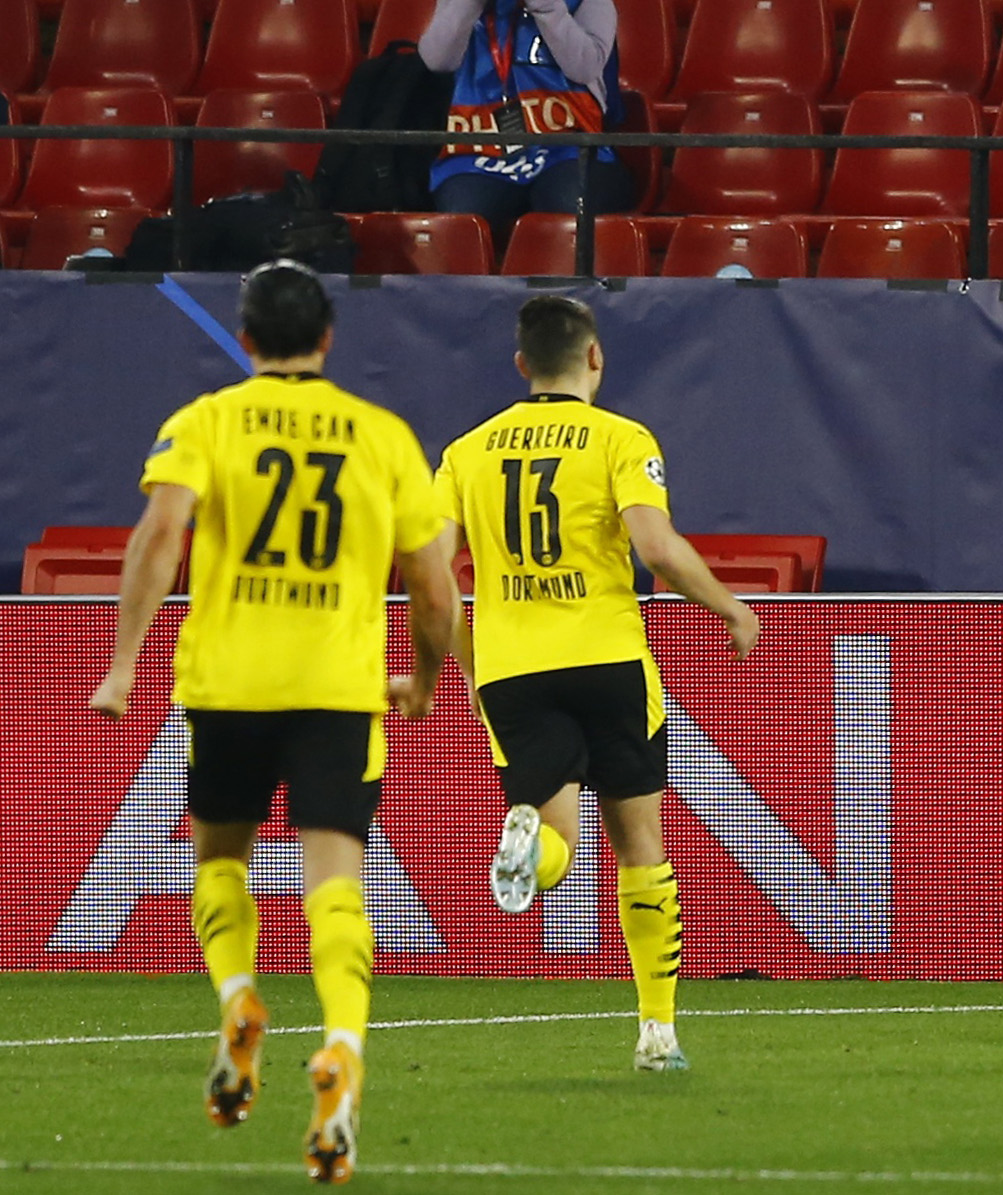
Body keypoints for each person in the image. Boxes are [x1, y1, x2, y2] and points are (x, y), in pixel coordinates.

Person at [88, 260, 457, 1185]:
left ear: (245, 337)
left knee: (221, 862)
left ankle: (240, 995)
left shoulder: (206, 422)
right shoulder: (382, 436)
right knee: (335, 878)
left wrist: (126, 662)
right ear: (328, 337)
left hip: (229, 683)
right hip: (337, 686)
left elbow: (158, 536)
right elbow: (431, 577)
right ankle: (340, 1047)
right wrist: (420, 674)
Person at [432, 295, 760, 1072]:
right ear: (596, 358)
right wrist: (730, 607)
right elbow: (658, 550)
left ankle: (528, 844)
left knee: (561, 843)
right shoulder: (620, 437)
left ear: (521, 364)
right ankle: (657, 1033)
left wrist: (472, 663)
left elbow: (431, 577)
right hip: (608, 657)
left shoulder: (464, 452)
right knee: (639, 845)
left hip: (514, 667)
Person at [420, 0, 636, 244]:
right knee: (462, 217)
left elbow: (584, 67)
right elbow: (436, 61)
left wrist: (546, 7)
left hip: (567, 145)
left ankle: (568, 283)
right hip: (480, 147)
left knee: (567, 206)